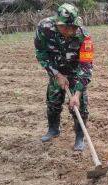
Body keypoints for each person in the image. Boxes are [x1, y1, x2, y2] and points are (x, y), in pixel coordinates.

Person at [34, 3, 93, 151]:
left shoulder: (83, 36)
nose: (70, 31)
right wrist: (56, 74)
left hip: (75, 73)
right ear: (57, 22)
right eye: (66, 27)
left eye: (73, 27)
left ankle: (79, 138)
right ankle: (53, 129)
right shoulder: (44, 28)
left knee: (81, 107)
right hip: (55, 71)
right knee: (53, 102)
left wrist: (78, 93)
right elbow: (41, 54)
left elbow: (86, 66)